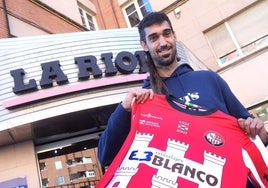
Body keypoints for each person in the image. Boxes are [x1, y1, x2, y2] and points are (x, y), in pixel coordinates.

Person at [97, 12, 268, 187]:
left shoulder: (209, 80)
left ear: (174, 36)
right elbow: (105, 156)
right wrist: (124, 109)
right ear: (145, 45)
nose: (163, 42)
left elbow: (251, 131)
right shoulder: (144, 99)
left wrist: (259, 131)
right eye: (154, 38)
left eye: (166, 33)